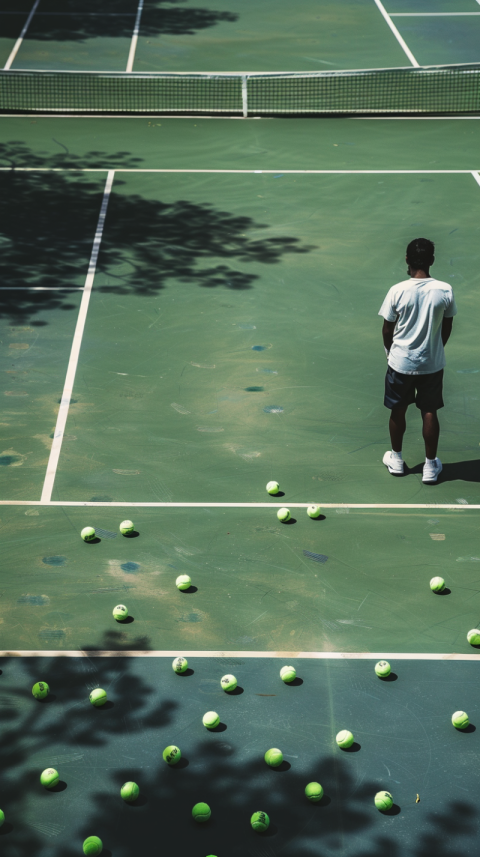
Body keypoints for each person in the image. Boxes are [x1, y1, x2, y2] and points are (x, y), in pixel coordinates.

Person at [379, 238, 457, 484]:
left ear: (406, 259)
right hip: (431, 364)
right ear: (432, 260)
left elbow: (386, 329)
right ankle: (431, 466)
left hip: (400, 362)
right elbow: (447, 325)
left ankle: (397, 460)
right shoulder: (445, 290)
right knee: (429, 411)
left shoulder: (397, 290)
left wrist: (391, 353)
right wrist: (434, 349)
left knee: (397, 409)